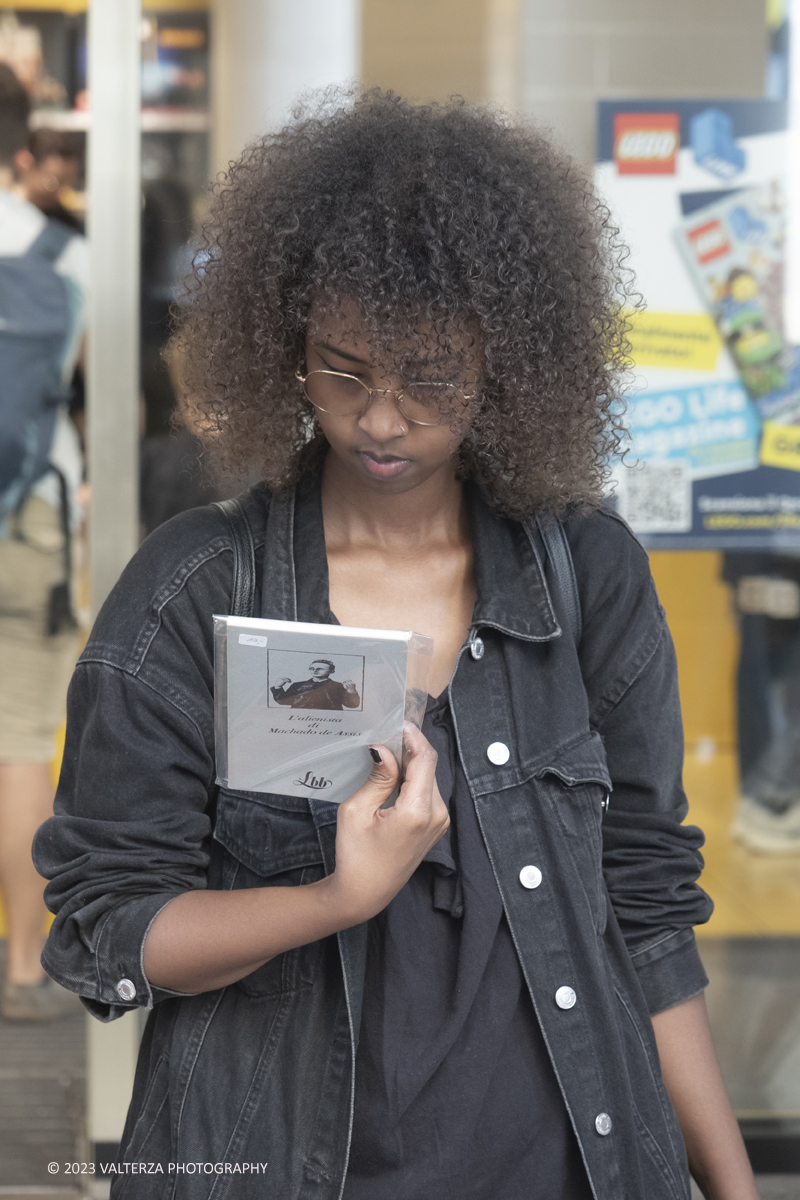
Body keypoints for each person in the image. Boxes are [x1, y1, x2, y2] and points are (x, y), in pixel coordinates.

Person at [34, 91, 758, 1197]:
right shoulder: (195, 589)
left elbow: (643, 910)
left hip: (568, 1162)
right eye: (343, 369)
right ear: (282, 345)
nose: (379, 418)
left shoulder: (581, 575)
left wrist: (730, 1184)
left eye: (429, 378)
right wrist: (335, 898)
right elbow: (108, 930)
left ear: (506, 362)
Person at [0, 63, 86, 1021]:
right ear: (21, 151)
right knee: (20, 737)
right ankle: (25, 968)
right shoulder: (63, 254)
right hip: (31, 512)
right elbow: (73, 379)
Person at [271, 659, 361, 710]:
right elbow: (283, 701)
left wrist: (352, 692)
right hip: (298, 721)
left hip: (330, 723)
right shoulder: (297, 685)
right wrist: (278, 687)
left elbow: (352, 705)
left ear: (332, 671)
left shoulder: (339, 686)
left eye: (320, 669)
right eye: (312, 668)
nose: (315, 671)